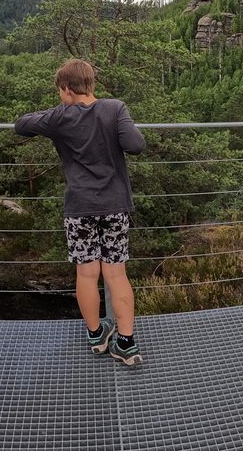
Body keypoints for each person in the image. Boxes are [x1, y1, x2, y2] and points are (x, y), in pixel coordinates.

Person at [14, 59, 146, 366]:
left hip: (79, 207)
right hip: (114, 205)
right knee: (116, 273)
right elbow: (135, 145)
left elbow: (22, 125)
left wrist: (56, 114)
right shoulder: (115, 108)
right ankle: (125, 344)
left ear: (66, 88)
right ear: (91, 84)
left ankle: (96, 336)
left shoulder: (59, 116)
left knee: (87, 273)